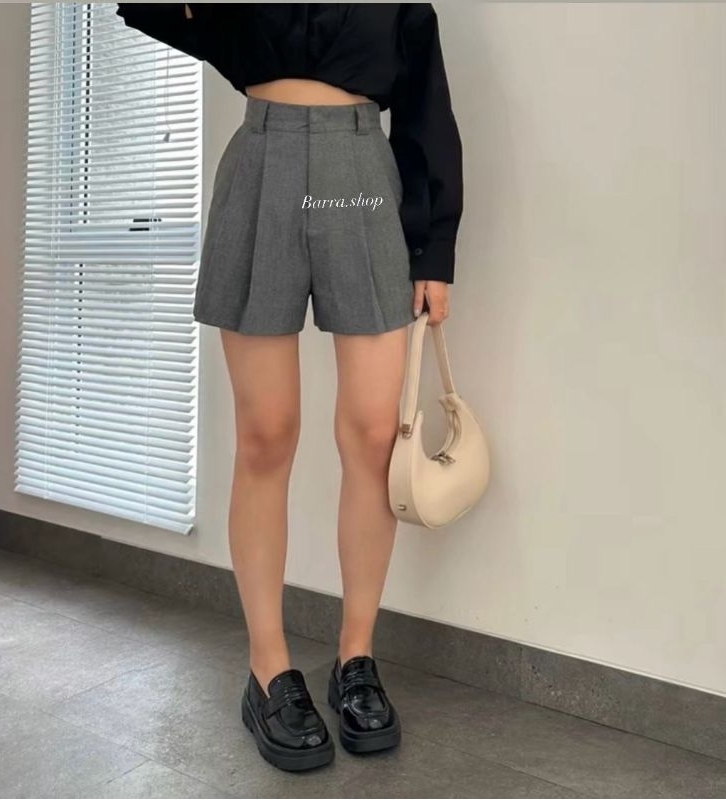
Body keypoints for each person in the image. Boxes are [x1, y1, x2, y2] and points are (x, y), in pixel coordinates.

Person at [115, 2, 463, 772]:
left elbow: (426, 110)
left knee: (373, 435)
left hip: (362, 175)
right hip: (261, 166)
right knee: (266, 435)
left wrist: (435, 251)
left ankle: (356, 658)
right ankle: (268, 668)